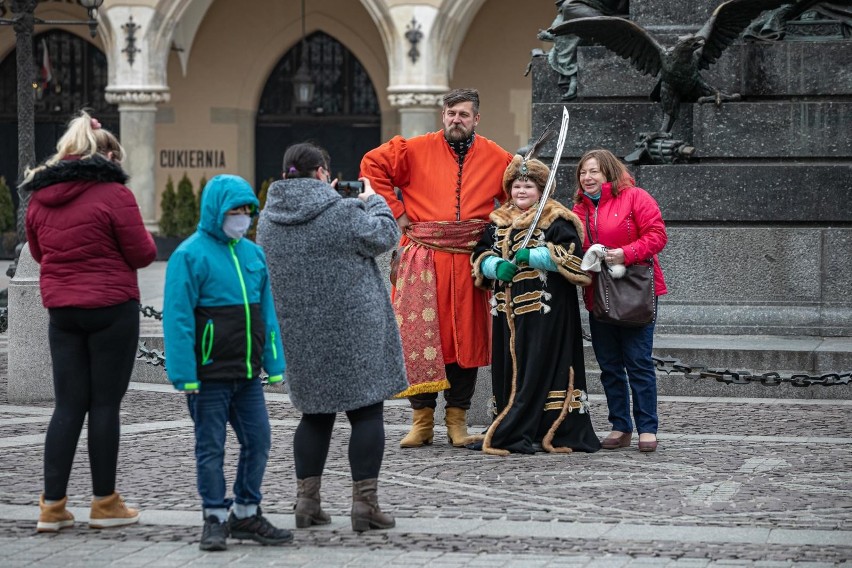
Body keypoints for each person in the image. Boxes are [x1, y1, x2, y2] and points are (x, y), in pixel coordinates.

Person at [256, 142, 407, 532]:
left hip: (302, 331)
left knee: (315, 415)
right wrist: (372, 201)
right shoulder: (342, 211)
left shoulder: (268, 220)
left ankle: (307, 502)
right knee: (367, 412)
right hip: (355, 326)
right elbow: (384, 235)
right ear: (322, 172)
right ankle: (365, 506)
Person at [22, 110, 156, 532]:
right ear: (108, 155)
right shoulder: (114, 195)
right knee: (103, 405)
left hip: (63, 312)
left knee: (67, 405)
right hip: (111, 308)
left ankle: (53, 505)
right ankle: (104, 503)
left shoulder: (41, 197)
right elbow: (143, 254)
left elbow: (42, 253)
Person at [360, 88, 514, 448]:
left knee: (467, 342)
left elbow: (517, 195)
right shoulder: (412, 150)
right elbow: (371, 165)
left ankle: (457, 422)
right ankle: (422, 421)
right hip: (422, 258)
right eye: (450, 113)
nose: (455, 119)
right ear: (442, 116)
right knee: (421, 339)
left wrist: (498, 230)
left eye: (463, 114)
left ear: (476, 119)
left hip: (469, 262)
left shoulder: (497, 156)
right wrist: (396, 213)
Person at [163, 174, 290, 551]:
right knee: (211, 447)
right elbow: (178, 318)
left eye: (247, 211)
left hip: (247, 374)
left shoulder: (254, 254)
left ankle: (246, 512)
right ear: (216, 211)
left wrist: (275, 361)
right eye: (235, 210)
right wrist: (185, 374)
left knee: (259, 440)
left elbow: (267, 313)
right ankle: (214, 518)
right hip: (208, 377)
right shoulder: (189, 255)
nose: (242, 217)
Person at [469, 154, 600, 455]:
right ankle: (509, 423)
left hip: (548, 316)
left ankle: (544, 428)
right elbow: (479, 255)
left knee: (543, 369)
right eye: (516, 186)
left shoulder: (559, 218)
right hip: (508, 314)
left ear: (541, 190)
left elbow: (577, 262)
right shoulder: (498, 220)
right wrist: (493, 266)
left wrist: (539, 256)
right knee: (510, 370)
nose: (521, 192)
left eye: (528, 186)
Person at [572, 149, 668, 452]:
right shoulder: (578, 209)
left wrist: (625, 253)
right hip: (599, 294)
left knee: (638, 362)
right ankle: (620, 425)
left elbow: (657, 235)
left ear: (608, 173)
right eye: (583, 172)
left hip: (635, 291)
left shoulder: (635, 197)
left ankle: (647, 428)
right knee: (610, 366)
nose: (587, 177)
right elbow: (573, 245)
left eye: (594, 171)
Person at [537, 0, 628, 101]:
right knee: (568, 10)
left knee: (570, 7)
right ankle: (560, 34)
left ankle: (561, 35)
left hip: (609, 7)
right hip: (594, 5)